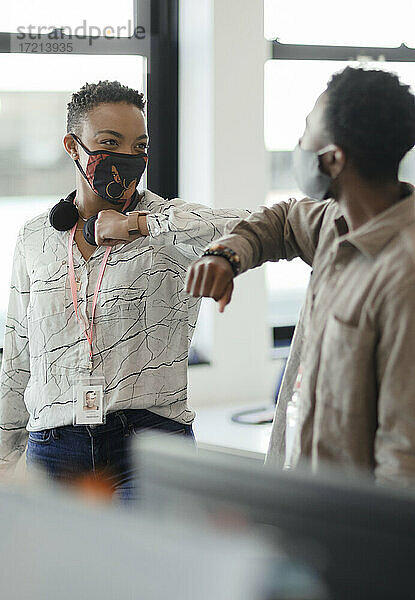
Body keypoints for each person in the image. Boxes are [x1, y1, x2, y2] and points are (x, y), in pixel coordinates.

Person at [0, 80, 248, 499]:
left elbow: (262, 227)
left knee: (146, 565)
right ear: (73, 146)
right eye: (110, 143)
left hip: (150, 442)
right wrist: (4, 458)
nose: (127, 159)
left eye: (139, 147)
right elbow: (19, 356)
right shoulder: (35, 237)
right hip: (55, 447)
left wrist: (139, 224)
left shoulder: (168, 224)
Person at [186, 67, 415, 486]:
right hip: (304, 502)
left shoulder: (403, 277)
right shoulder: (336, 222)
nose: (298, 142)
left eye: (307, 127)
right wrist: (225, 256)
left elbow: (403, 456)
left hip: (359, 531)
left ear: (332, 158)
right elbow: (284, 221)